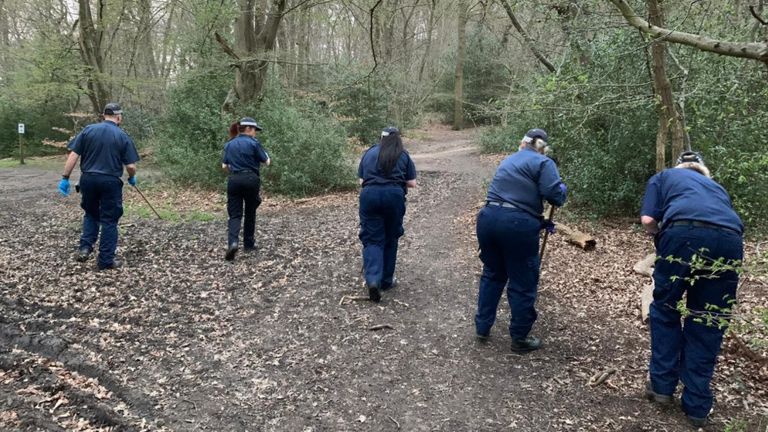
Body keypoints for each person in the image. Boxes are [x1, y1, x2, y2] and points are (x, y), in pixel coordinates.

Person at [640, 151, 743, 428]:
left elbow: (649, 221)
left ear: (680, 167)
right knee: (708, 319)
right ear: (703, 170)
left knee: (665, 309)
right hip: (730, 241)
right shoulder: (717, 188)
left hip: (683, 236)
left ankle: (662, 386)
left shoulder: (664, 177)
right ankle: (696, 405)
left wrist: (663, 238)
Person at [474, 128, 567, 353]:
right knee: (523, 280)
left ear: (522, 143)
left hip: (488, 218)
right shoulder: (544, 163)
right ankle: (520, 337)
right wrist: (562, 187)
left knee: (493, 273)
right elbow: (555, 196)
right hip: (516, 225)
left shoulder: (509, 160)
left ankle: (482, 327)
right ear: (543, 147)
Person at [58, 102, 140, 270]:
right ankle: (105, 260)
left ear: (104, 115)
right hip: (110, 181)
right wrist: (132, 177)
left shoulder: (88, 130)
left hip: (88, 179)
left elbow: (73, 155)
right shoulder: (122, 135)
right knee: (109, 220)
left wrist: (65, 177)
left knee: (91, 214)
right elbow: (131, 166)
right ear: (119, 117)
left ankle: (85, 248)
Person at [358, 126, 417, 302]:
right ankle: (386, 280)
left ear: (381, 137)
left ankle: (373, 279)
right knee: (391, 237)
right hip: (394, 196)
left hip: (369, 196)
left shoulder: (369, 153)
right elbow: (412, 183)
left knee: (372, 239)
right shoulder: (403, 154)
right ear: (398, 138)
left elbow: (362, 181)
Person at [221, 117, 270, 261]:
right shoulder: (254, 143)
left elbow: (224, 166)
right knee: (250, 211)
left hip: (234, 180)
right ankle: (248, 244)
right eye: (255, 130)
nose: (256, 133)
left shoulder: (229, 144)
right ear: (248, 128)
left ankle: (233, 243)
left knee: (235, 215)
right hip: (251, 179)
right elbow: (267, 161)